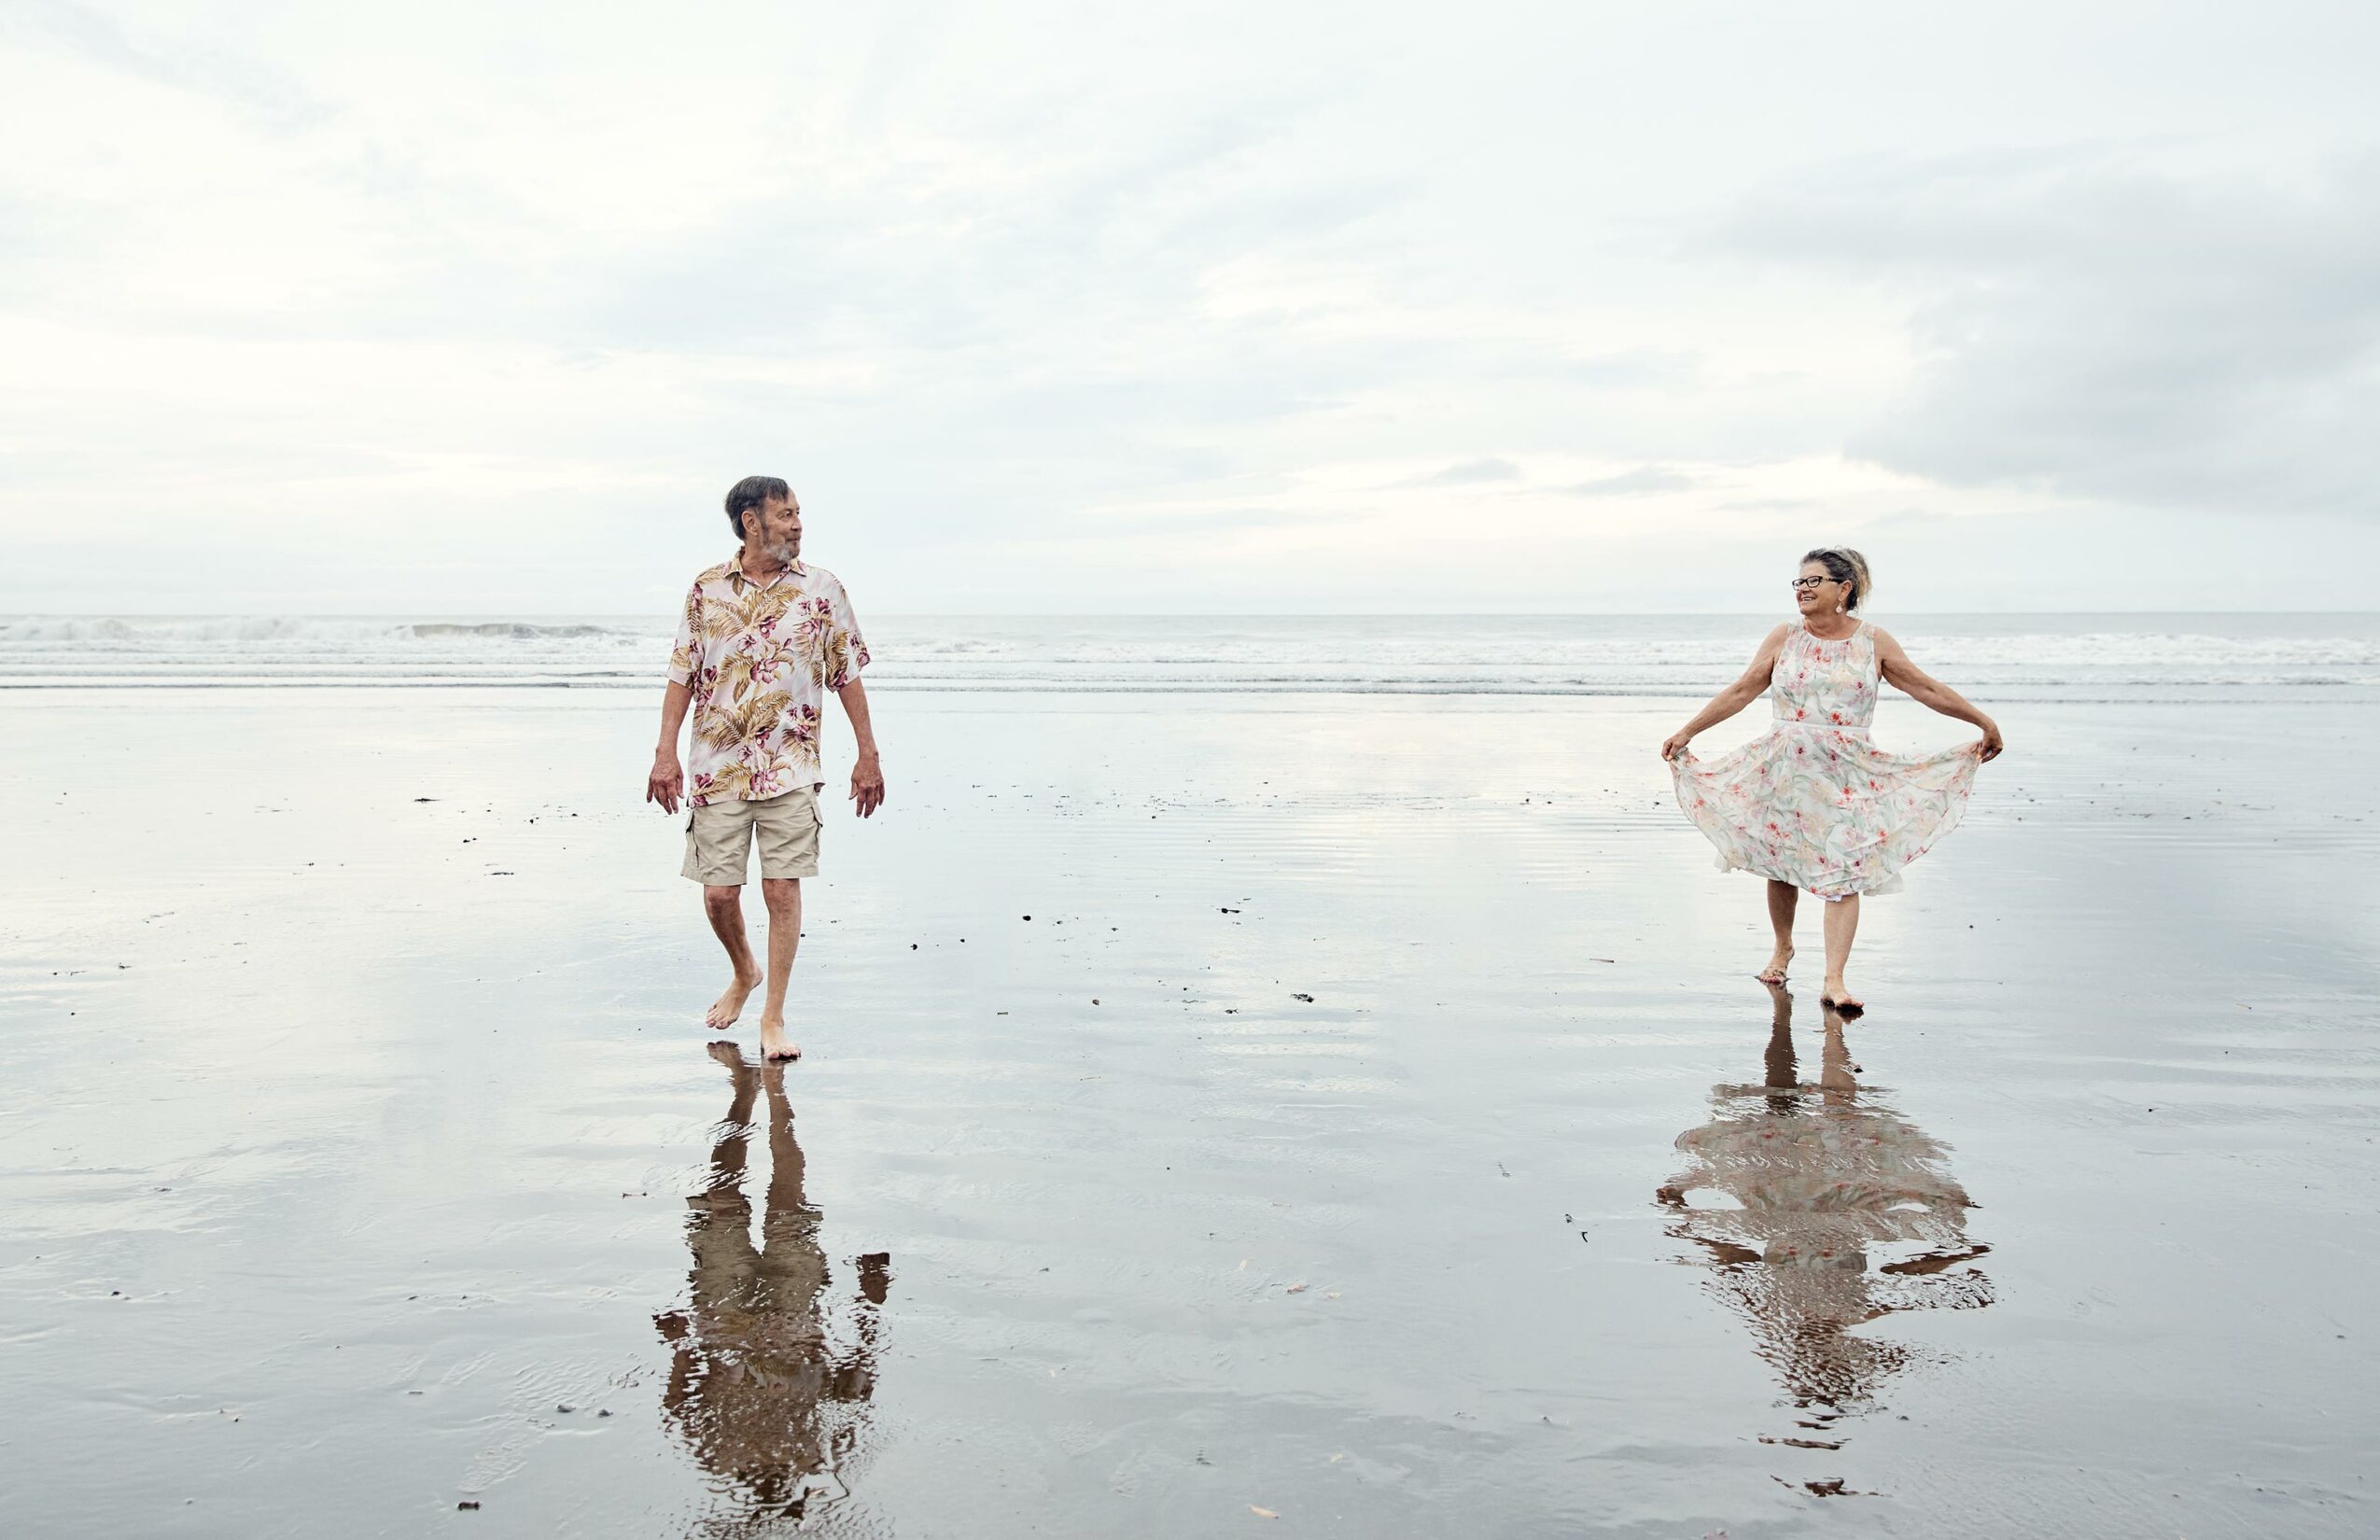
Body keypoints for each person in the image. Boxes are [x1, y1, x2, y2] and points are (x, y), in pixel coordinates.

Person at [1659, 548, 2002, 1014]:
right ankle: (1782, 949)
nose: (1802, 589)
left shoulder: (1873, 642)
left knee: (1844, 867)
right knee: (1781, 860)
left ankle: (1834, 979)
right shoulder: (1785, 636)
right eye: (1799, 582)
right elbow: (1742, 689)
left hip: (1847, 771)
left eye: (1813, 581)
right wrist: (1688, 731)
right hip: (1784, 766)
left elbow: (1925, 687)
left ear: (1844, 588)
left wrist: (1982, 721)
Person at [647, 476, 886, 1062]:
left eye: (799, 513)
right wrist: (664, 753)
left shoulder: (822, 589)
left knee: (781, 888)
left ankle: (773, 1017)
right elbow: (682, 673)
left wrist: (868, 754)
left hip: (791, 764)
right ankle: (744, 970)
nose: (797, 524)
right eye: (785, 514)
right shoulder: (707, 589)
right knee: (719, 895)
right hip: (718, 765)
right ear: (751, 522)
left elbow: (847, 674)